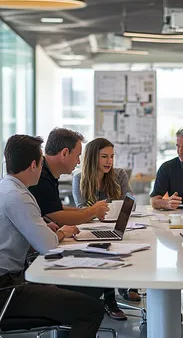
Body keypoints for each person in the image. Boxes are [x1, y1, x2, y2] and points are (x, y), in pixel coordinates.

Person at [0, 134, 104, 338]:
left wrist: (47, 229)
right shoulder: (19, 197)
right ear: (33, 165)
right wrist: (59, 232)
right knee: (91, 309)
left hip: (12, 281)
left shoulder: (6, 187)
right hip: (8, 291)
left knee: (83, 289)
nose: (42, 168)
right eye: (41, 163)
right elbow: (48, 245)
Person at [72, 137, 141, 320]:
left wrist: (100, 209)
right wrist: (94, 209)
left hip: (117, 226)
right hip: (92, 229)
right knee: (104, 250)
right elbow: (81, 210)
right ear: (93, 158)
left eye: (111, 156)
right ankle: (110, 299)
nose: (109, 161)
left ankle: (125, 286)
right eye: (104, 157)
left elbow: (131, 203)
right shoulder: (79, 178)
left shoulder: (119, 175)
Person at [29, 128, 109, 225]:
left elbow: (57, 208)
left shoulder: (49, 174)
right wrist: (92, 211)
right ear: (64, 153)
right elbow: (57, 217)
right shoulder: (40, 176)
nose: (78, 161)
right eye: (77, 156)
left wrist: (89, 211)